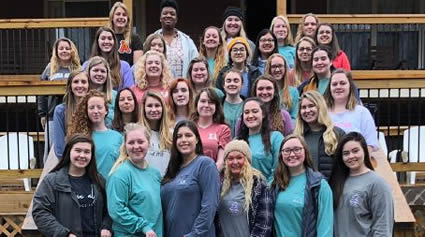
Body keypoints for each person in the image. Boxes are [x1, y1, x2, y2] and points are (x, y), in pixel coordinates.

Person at [33, 134, 112, 237]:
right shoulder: (52, 181)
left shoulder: (99, 180)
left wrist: (106, 226)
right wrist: (64, 234)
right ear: (69, 151)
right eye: (78, 150)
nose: (82, 155)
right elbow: (40, 212)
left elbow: (110, 209)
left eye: (87, 152)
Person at [161, 120, 220, 237]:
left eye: (188, 135)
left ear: (197, 139)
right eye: (179, 136)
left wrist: (194, 234)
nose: (183, 140)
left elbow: (210, 206)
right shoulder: (173, 170)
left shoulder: (205, 164)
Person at [329, 132, 393, 236]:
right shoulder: (337, 181)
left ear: (364, 151)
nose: (351, 156)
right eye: (346, 153)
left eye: (355, 151)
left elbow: (382, 227)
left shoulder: (377, 184)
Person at [107, 123, 163, 236]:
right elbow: (116, 210)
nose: (136, 146)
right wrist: (144, 227)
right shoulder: (120, 173)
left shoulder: (155, 173)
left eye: (141, 142)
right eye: (131, 142)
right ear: (125, 146)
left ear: (149, 144)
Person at [272, 134, 333, 237]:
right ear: (281, 155)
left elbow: (325, 228)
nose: (292, 154)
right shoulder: (274, 184)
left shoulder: (319, 185)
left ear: (305, 151)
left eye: (297, 149)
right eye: (286, 151)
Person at [217, 139, 273, 237]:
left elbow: (264, 225)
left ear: (247, 160)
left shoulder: (259, 185)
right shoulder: (221, 185)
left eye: (239, 157)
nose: (235, 162)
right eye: (230, 158)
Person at [38, 37, 81, 162]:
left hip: (74, 114)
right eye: (61, 48)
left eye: (67, 48)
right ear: (56, 51)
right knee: (52, 147)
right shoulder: (50, 68)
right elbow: (41, 92)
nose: (64, 51)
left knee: (72, 145)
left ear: (72, 50)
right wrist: (42, 113)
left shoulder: (77, 68)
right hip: (51, 115)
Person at [69, 90, 123, 178]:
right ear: (86, 111)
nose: (96, 111)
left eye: (99, 107)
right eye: (91, 107)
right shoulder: (80, 137)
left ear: (106, 110)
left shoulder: (118, 137)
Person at [294, 91, 345, 179]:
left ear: (320, 107)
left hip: (331, 189)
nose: (307, 110)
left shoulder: (337, 134)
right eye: (303, 107)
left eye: (311, 106)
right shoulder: (296, 136)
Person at [324, 69, 378, 151]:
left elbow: (371, 144)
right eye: (334, 84)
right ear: (330, 88)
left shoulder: (362, 112)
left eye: (342, 83)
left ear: (350, 86)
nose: (338, 87)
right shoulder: (323, 113)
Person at [237, 97, 284, 182]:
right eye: (246, 112)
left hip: (267, 190)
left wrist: (265, 190)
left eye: (255, 111)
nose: (250, 115)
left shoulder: (276, 138)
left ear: (263, 114)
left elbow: (279, 170)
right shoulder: (237, 141)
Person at [155, 0, 198, 78]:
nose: (168, 15)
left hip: (181, 88)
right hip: (158, 88)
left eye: (172, 14)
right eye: (165, 13)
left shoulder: (188, 42)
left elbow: (195, 65)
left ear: (176, 19)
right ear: (160, 18)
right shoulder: (152, 40)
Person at [192, 88, 231, 170]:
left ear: (216, 106)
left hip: (212, 176)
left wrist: (208, 176)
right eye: (203, 101)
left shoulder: (223, 129)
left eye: (210, 102)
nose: (206, 105)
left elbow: (221, 162)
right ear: (196, 104)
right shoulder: (189, 127)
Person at [53, 70, 89, 159]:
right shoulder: (60, 111)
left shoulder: (93, 109)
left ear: (89, 85)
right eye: (76, 82)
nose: (80, 85)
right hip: (66, 159)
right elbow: (59, 146)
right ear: (70, 86)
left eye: (83, 82)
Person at [139, 91, 173, 176]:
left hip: (166, 185)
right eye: (149, 106)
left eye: (157, 105)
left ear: (163, 108)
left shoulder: (172, 134)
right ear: (144, 109)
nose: (153, 109)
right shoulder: (137, 133)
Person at [264, 53, 299, 121]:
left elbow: (295, 118)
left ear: (285, 68)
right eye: (274, 66)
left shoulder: (293, 92)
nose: (277, 70)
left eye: (280, 66)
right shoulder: (264, 92)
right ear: (269, 69)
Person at [86, 56, 116, 127]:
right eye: (96, 70)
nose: (99, 74)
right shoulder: (83, 95)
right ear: (89, 72)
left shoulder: (115, 95)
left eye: (103, 71)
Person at [222, 69, 244, 137]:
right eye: (228, 81)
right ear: (223, 85)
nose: (232, 84)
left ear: (242, 85)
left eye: (236, 81)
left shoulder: (247, 105)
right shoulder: (217, 105)